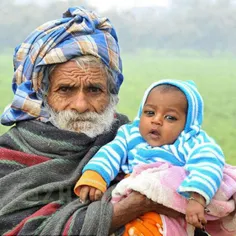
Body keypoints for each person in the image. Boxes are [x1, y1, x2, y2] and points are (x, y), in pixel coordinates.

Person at [0, 6, 183, 236]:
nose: (81, 105)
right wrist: (137, 204)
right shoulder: (9, 157)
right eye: (65, 89)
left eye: (94, 90)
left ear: (111, 93)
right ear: (42, 94)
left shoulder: (136, 140)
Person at [74, 79, 226, 235]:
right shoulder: (131, 134)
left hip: (168, 212)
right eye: (150, 113)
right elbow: (111, 152)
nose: (157, 120)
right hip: (131, 201)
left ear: (188, 123)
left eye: (170, 117)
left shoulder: (192, 141)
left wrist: (197, 198)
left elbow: (208, 164)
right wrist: (95, 176)